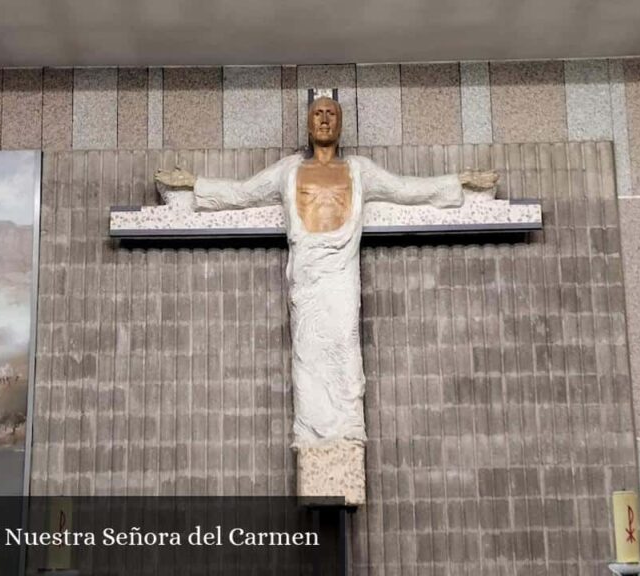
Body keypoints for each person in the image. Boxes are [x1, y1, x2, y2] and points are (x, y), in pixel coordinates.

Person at [155, 96, 497, 449]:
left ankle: (348, 429)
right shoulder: (288, 170)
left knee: (345, 347)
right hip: (307, 276)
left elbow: (407, 189)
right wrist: (195, 184)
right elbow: (243, 193)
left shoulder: (358, 170)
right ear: (307, 123)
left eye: (331, 114)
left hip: (341, 275)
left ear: (340, 124)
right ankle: (310, 433)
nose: (323, 119)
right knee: (307, 354)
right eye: (317, 113)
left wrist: (459, 181)